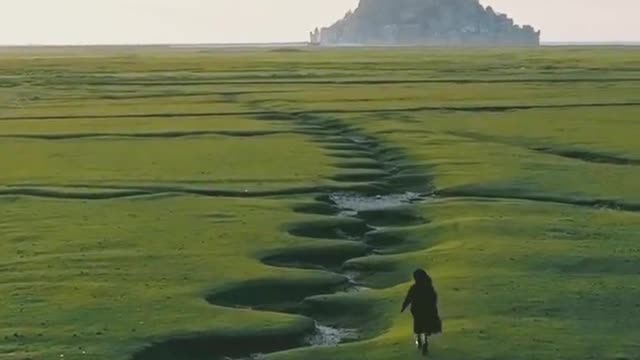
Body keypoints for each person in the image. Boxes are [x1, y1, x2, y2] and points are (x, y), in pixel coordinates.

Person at [401, 269, 442, 356]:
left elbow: (408, 298)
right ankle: (424, 342)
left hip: (417, 310)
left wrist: (404, 307)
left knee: (418, 326)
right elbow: (433, 298)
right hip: (424, 310)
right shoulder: (428, 287)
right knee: (424, 327)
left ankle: (420, 341)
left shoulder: (415, 288)